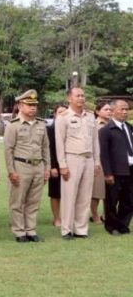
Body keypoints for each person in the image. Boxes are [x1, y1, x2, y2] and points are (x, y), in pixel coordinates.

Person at [2, 90, 51, 243]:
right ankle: (19, 231)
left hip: (38, 166)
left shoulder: (41, 124)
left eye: (34, 105)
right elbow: (8, 150)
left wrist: (47, 168)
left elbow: (45, 148)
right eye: (29, 105)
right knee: (17, 201)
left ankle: (30, 230)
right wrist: (11, 171)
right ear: (20, 106)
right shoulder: (13, 125)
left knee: (34, 201)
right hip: (21, 165)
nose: (33, 108)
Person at [55, 87, 99, 239]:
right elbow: (59, 142)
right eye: (78, 96)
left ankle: (81, 229)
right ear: (69, 98)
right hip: (72, 158)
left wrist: (97, 161)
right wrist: (62, 165)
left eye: (83, 95)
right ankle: (67, 229)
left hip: (88, 158)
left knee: (85, 196)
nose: (81, 98)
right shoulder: (63, 117)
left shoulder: (90, 116)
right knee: (69, 195)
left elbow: (95, 141)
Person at [98, 98, 133, 235]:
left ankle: (123, 225)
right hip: (115, 171)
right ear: (113, 111)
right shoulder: (106, 130)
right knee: (112, 201)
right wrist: (108, 173)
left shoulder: (129, 127)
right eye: (121, 109)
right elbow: (104, 154)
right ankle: (111, 226)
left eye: (127, 109)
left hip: (130, 169)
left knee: (129, 200)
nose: (125, 112)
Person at [91, 101, 113, 225]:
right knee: (97, 191)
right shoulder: (93, 125)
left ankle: (106, 215)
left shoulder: (113, 124)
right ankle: (95, 215)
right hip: (98, 161)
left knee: (110, 191)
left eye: (110, 109)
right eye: (106, 109)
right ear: (98, 111)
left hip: (112, 161)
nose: (109, 111)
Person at [46, 103, 67, 227]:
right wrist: (52, 166)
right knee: (55, 193)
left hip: (69, 164)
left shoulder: (70, 127)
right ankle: (56, 218)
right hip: (55, 165)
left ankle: (66, 217)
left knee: (68, 193)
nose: (63, 115)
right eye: (60, 112)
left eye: (65, 112)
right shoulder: (50, 129)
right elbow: (49, 149)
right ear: (54, 114)